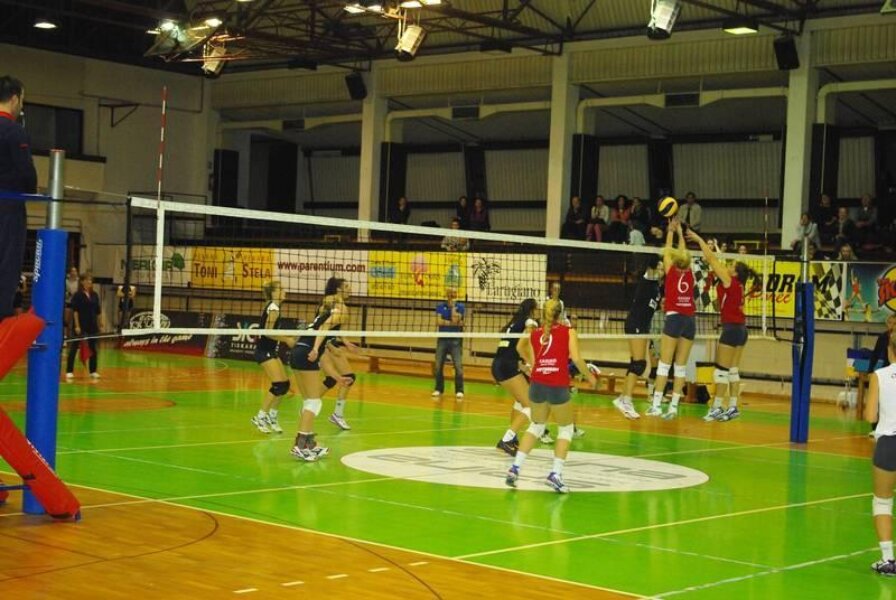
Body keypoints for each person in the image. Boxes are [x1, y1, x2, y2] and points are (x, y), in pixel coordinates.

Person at [506, 301, 598, 494]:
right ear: (560, 314)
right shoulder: (569, 332)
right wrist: (590, 377)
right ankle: (555, 474)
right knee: (566, 429)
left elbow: (525, 353)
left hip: (537, 384)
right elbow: (576, 359)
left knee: (536, 426)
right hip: (557, 385)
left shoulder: (535, 334)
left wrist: (536, 366)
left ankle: (514, 469)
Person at [688, 230, 755, 422]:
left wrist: (699, 240)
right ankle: (733, 407)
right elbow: (720, 306)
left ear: (735, 273)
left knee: (721, 371)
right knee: (732, 370)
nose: (728, 266)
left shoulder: (730, 282)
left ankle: (716, 407)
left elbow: (711, 259)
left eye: (731, 266)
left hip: (732, 329)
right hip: (741, 330)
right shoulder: (738, 286)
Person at [288, 296, 348, 461]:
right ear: (337, 305)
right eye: (343, 303)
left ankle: (308, 443)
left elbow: (322, 356)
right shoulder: (336, 313)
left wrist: (337, 377)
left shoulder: (322, 316)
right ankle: (300, 445)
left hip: (297, 352)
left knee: (309, 401)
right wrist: (314, 348)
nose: (346, 306)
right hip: (307, 352)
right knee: (314, 402)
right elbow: (324, 328)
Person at [646, 219, 695, 420]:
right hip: (690, 321)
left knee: (664, 365)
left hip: (674, 319)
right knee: (680, 367)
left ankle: (656, 406)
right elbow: (681, 252)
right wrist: (680, 233)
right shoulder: (690, 273)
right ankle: (673, 407)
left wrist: (670, 231)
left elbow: (667, 251)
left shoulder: (672, 272)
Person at [0, 76, 36, 322]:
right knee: (7, 265)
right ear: (14, 99)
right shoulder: (14, 131)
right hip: (8, 209)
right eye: (22, 100)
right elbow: (26, 174)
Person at [612, 254, 664, 420]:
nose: (662, 271)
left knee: (636, 364)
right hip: (636, 324)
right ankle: (626, 401)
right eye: (660, 267)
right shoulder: (648, 279)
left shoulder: (657, 285)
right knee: (639, 364)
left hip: (642, 326)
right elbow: (652, 267)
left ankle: (623, 398)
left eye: (663, 268)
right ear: (652, 268)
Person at [863, 335, 896, 576]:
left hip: (889, 443)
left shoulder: (880, 376)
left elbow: (869, 416)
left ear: (890, 351)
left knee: (883, 501)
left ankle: (888, 559)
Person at [493, 298, 539, 456]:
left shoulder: (513, 323)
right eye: (537, 309)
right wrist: (533, 364)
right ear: (532, 310)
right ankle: (506, 440)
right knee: (531, 406)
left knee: (520, 401)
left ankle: (512, 439)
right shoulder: (530, 323)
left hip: (498, 365)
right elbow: (522, 347)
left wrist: (522, 366)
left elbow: (509, 349)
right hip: (508, 366)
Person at [251, 280, 296, 434]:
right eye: (280, 289)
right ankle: (260, 417)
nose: (284, 291)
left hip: (270, 350)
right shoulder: (273, 308)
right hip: (264, 351)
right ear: (273, 293)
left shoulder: (275, 307)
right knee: (278, 385)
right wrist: (286, 339)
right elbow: (267, 332)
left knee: (285, 385)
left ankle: (272, 416)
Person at [319, 277, 360, 431]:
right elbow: (321, 326)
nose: (350, 289)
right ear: (338, 289)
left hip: (328, 342)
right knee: (348, 377)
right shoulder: (331, 302)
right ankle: (337, 414)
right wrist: (330, 346)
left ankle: (310, 404)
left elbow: (334, 327)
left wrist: (345, 341)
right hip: (324, 343)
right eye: (347, 286)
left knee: (331, 379)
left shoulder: (338, 304)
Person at [65, 273, 104, 380]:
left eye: (90, 280)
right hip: (81, 323)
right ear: (82, 282)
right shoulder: (77, 295)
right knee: (74, 347)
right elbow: (75, 311)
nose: (89, 282)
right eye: (87, 280)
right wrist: (77, 326)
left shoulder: (94, 295)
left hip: (92, 324)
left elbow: (98, 311)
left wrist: (100, 323)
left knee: (93, 348)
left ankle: (93, 371)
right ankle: (69, 371)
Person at [432, 288, 465, 400]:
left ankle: (459, 391)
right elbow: (438, 321)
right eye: (450, 292)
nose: (452, 294)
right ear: (447, 294)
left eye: (454, 292)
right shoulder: (440, 306)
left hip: (455, 340)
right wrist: (452, 322)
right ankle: (438, 389)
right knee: (438, 366)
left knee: (458, 367)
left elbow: (459, 322)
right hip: (442, 339)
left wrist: (453, 311)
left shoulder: (460, 306)